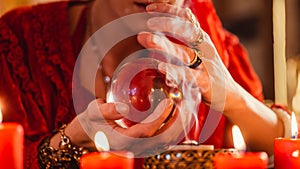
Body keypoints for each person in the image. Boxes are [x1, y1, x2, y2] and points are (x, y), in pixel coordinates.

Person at [0, 0, 291, 168]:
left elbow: (276, 146)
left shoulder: (204, 32)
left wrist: (232, 97)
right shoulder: (18, 41)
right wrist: (68, 144)